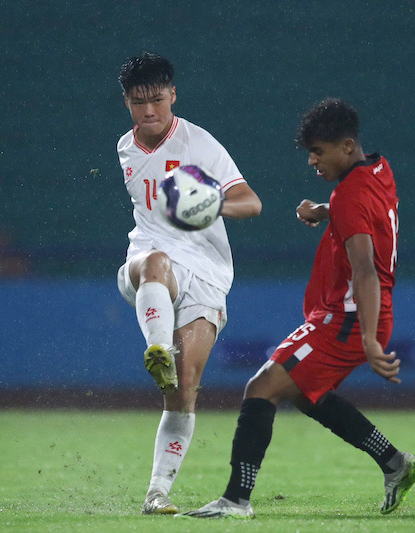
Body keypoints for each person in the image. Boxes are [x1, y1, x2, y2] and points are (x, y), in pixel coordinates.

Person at [181, 98, 415, 519]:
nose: (312, 160)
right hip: (352, 315)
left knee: (261, 388)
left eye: (318, 151)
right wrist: (325, 211)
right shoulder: (378, 168)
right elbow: (373, 213)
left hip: (347, 320)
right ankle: (394, 463)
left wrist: (369, 340)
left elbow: (365, 270)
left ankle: (236, 500)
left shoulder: (349, 194)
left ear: (346, 146)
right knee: (308, 395)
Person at [115, 52, 262, 515]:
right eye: (139, 102)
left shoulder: (198, 143)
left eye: (157, 100)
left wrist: (212, 204)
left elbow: (251, 202)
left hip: (206, 271)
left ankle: (156, 494)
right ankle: (157, 347)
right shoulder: (125, 147)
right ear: (126, 102)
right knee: (155, 261)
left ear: (173, 95)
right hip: (148, 263)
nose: (149, 111)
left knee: (184, 388)